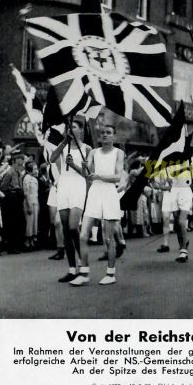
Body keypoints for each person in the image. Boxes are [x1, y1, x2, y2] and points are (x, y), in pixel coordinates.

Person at [69, 125, 124, 286]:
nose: (105, 135)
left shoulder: (119, 153)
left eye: (108, 133)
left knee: (108, 238)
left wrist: (98, 175)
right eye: (102, 133)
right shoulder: (93, 152)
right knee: (83, 235)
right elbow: (87, 175)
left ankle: (110, 273)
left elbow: (117, 177)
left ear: (114, 136)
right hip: (94, 193)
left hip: (109, 194)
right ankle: (84, 273)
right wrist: (75, 165)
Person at [50, 119, 91, 282]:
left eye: (74, 127)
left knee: (74, 227)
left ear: (81, 130)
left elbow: (88, 174)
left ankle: (84, 265)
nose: (71, 129)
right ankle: (72, 269)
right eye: (69, 127)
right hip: (64, 185)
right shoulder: (63, 145)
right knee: (66, 230)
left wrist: (73, 165)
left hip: (78, 186)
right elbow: (52, 159)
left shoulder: (87, 149)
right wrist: (64, 141)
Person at [157, 162, 193, 262]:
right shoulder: (166, 161)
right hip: (173, 192)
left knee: (181, 221)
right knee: (178, 223)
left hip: (185, 191)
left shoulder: (185, 157)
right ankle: (183, 246)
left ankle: (183, 251)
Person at [0, 149, 27, 254]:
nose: (22, 160)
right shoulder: (9, 172)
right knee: (13, 224)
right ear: (15, 160)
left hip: (18, 198)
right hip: (12, 198)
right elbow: (3, 187)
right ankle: (11, 246)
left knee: (20, 223)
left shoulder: (18, 172)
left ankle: (18, 244)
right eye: (20, 158)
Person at [22, 161, 39, 250]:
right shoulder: (27, 178)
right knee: (29, 223)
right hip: (29, 202)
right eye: (35, 169)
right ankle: (27, 242)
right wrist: (29, 205)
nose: (36, 170)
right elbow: (26, 192)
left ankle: (32, 241)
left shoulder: (35, 179)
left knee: (34, 223)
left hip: (35, 202)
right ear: (29, 170)